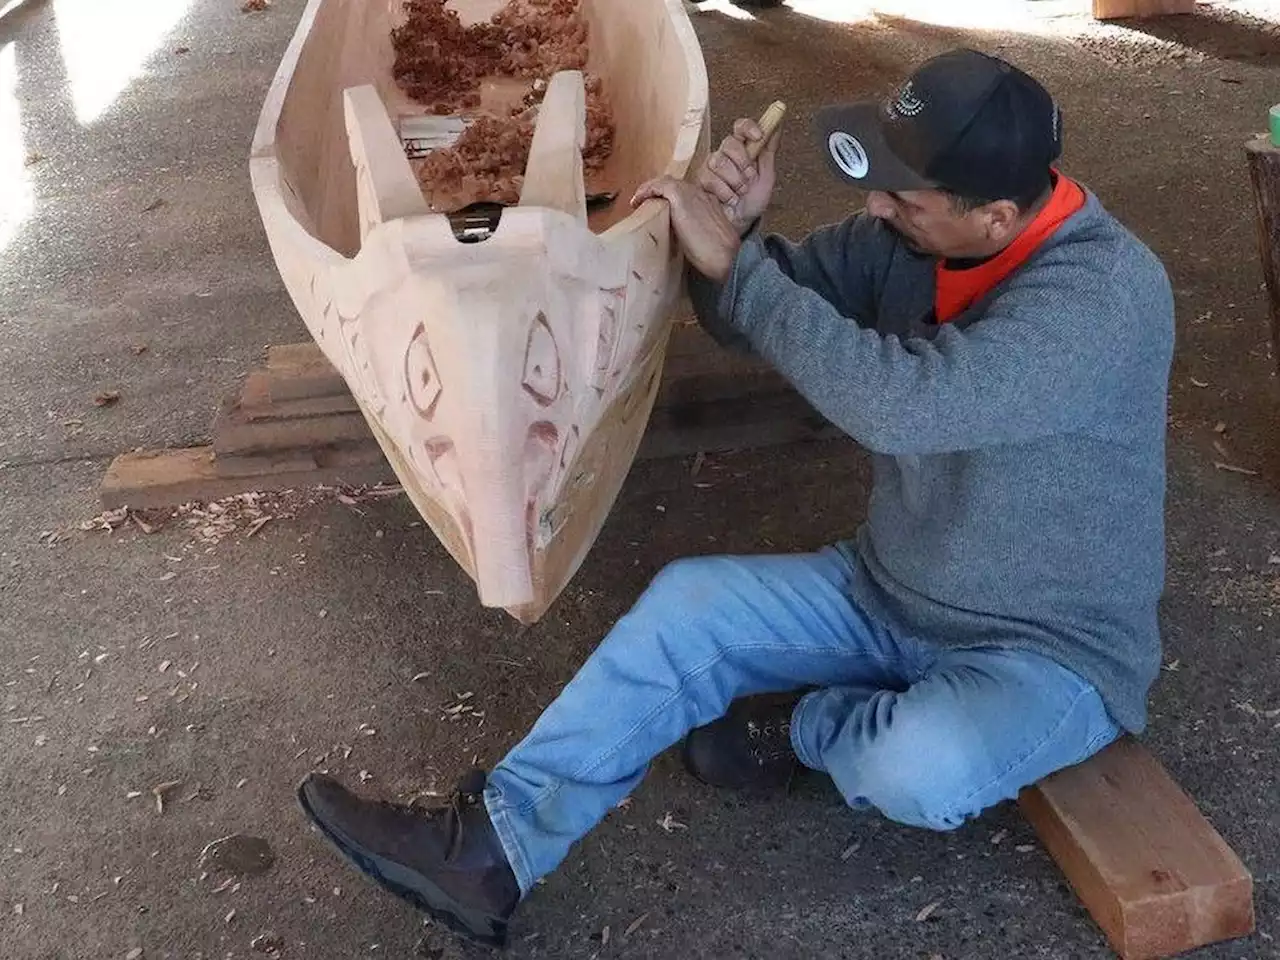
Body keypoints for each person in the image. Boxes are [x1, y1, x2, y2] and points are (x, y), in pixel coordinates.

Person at [295, 48, 1174, 948]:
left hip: (1044, 650)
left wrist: (742, 273)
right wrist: (738, 237)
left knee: (923, 768)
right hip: (889, 589)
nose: (876, 207)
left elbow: (903, 407)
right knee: (690, 605)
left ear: (993, 218)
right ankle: (493, 846)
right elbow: (746, 317)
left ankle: (810, 724)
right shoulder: (907, 241)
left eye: (906, 198)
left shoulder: (1104, 298)